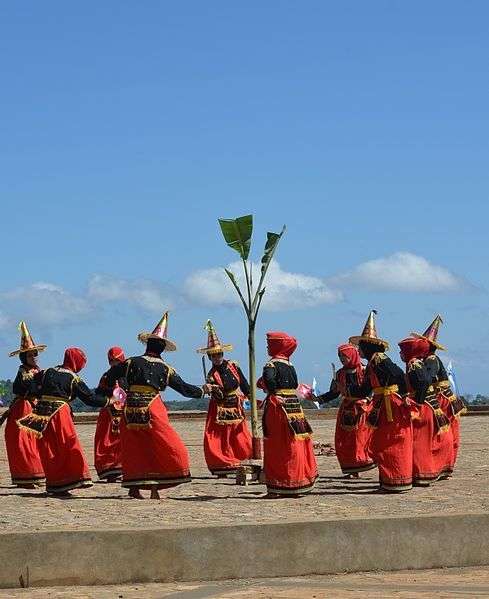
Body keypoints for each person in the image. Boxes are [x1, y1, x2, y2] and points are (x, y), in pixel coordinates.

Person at [113, 312, 215, 499]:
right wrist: (204, 390)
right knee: (161, 445)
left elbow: (109, 376)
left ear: (148, 345)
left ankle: (134, 487)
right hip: (153, 408)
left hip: (130, 408)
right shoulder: (166, 369)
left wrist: (111, 393)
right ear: (162, 349)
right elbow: (184, 389)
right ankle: (154, 487)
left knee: (133, 447)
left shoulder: (130, 362)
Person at [17, 347, 110, 496]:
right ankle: (71, 480)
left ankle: (54, 483)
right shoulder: (73, 378)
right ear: (76, 362)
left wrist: (41, 394)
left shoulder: (47, 372)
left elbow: (29, 387)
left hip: (41, 414)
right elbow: (89, 398)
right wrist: (110, 401)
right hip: (60, 415)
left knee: (49, 449)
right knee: (67, 447)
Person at [349, 311, 413, 492]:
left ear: (368, 347)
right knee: (383, 441)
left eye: (361, 347)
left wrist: (398, 392)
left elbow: (397, 375)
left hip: (389, 404)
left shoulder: (379, 360)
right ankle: (389, 479)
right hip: (383, 402)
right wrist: (347, 391)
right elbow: (365, 388)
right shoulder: (373, 362)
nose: (358, 350)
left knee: (389, 441)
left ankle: (395, 479)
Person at [258, 331, 317, 497]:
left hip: (278, 408)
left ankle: (279, 483)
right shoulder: (290, 366)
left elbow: (269, 381)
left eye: (270, 344)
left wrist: (272, 392)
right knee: (294, 443)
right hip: (293, 407)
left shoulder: (271, 365)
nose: (267, 347)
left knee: (277, 445)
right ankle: (297, 480)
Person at [197, 321, 253, 477]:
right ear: (210, 357)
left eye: (219, 354)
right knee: (221, 437)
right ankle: (222, 463)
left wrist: (252, 398)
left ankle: (241, 459)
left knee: (239, 434)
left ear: (223, 354)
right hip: (220, 407)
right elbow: (217, 395)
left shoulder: (234, 366)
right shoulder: (211, 375)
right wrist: (211, 388)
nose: (217, 357)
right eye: (213, 355)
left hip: (236, 404)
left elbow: (244, 384)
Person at [412, 315, 465, 471]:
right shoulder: (430, 359)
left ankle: (444, 463)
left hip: (442, 398)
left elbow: (427, 380)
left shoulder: (431, 360)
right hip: (444, 396)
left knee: (443, 432)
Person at [315, 343, 376, 477]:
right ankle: (350, 468)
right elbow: (334, 393)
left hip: (362, 409)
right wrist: (319, 399)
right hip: (346, 409)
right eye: (340, 356)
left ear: (352, 355)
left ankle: (362, 462)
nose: (342, 359)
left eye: (345, 356)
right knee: (345, 441)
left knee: (360, 439)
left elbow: (372, 387)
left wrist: (367, 399)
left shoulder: (366, 370)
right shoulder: (340, 373)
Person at [398, 336, 452, 486]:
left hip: (425, 406)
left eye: (402, 351)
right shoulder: (417, 363)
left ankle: (422, 474)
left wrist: (417, 402)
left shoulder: (413, 364)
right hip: (431, 404)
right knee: (427, 441)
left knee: (420, 443)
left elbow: (423, 382)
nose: (400, 354)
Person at [4, 322, 45, 488]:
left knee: (36, 441)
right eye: (30, 355)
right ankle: (26, 475)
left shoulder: (38, 371)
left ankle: (37, 473)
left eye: (35, 354)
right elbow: (20, 389)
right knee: (23, 442)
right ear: (24, 358)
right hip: (23, 409)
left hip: (35, 408)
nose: (34, 357)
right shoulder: (22, 373)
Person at [94, 346, 127, 482]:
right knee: (106, 441)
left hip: (124, 412)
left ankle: (122, 468)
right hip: (108, 414)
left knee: (122, 441)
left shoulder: (128, 375)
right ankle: (109, 470)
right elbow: (98, 394)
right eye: (112, 361)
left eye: (116, 361)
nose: (114, 364)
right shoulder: (106, 376)